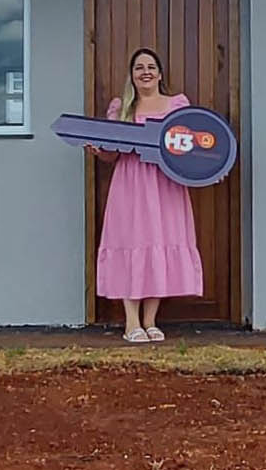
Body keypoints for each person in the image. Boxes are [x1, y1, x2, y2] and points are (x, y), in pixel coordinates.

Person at [88, 47, 203, 343]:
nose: (145, 72)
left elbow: (190, 145)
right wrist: (99, 150)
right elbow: (112, 154)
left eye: (151, 66)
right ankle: (131, 323)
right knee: (131, 243)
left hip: (166, 183)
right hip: (131, 183)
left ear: (160, 74)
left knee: (159, 243)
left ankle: (150, 321)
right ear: (132, 75)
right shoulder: (121, 108)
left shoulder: (178, 105)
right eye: (139, 67)